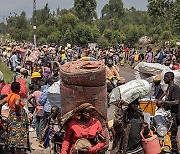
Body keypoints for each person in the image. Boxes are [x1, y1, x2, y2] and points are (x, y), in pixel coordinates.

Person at [0, 82, 29, 154]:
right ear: (18, 89)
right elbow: (16, 104)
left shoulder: (9, 96)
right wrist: (18, 112)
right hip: (18, 118)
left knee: (12, 135)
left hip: (11, 116)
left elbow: (0, 103)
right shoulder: (17, 96)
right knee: (18, 137)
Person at [158, 72, 180, 153]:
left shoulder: (176, 88)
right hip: (170, 114)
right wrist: (159, 100)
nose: (164, 79)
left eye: (165, 77)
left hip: (175, 114)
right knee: (169, 132)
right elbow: (165, 94)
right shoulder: (169, 87)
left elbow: (176, 102)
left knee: (172, 134)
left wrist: (164, 103)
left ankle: (175, 151)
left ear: (170, 77)